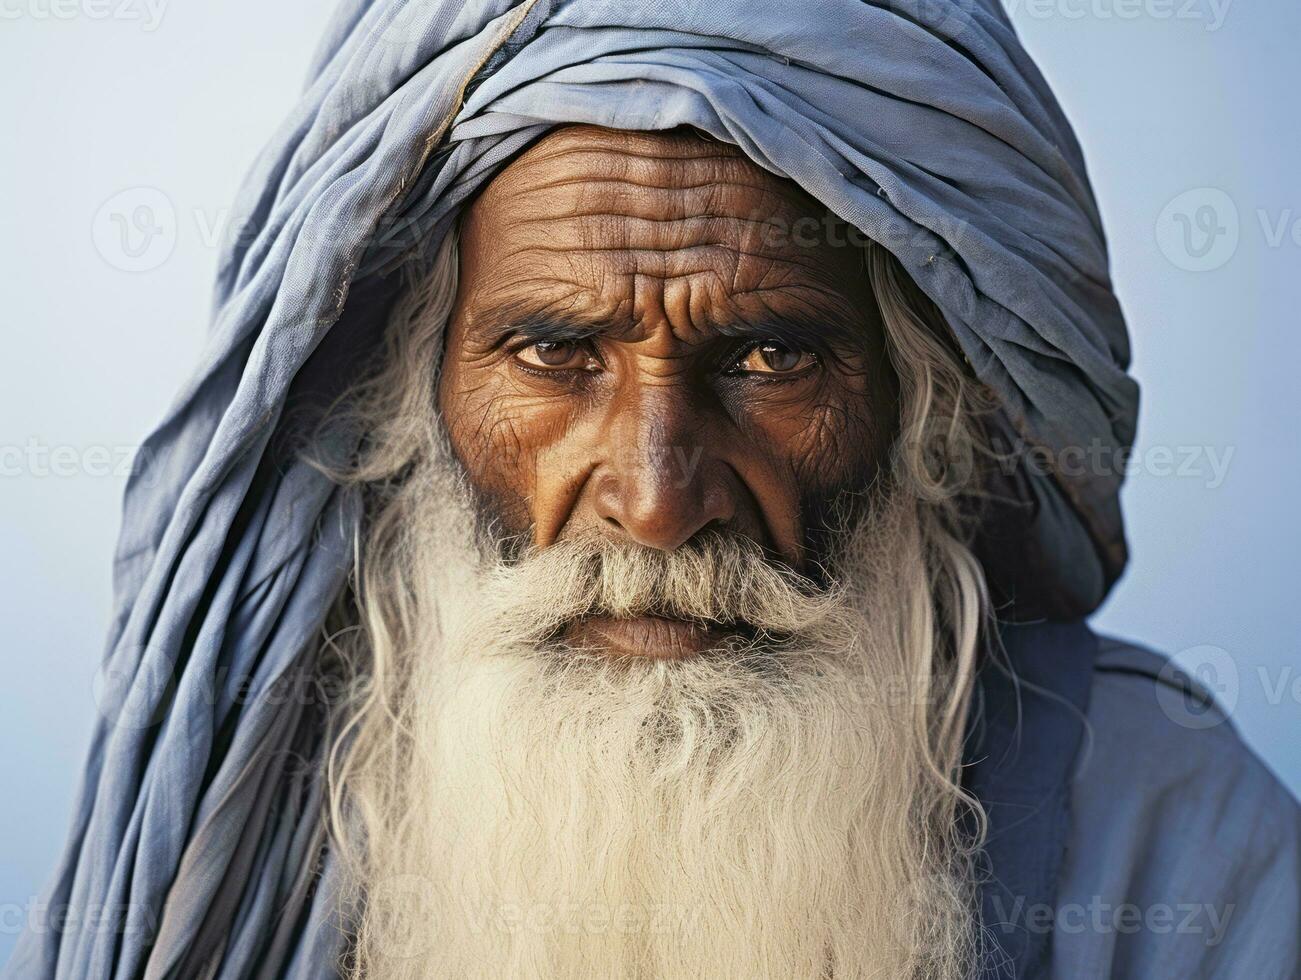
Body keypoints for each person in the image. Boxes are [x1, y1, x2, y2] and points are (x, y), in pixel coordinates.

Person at [7, 2, 1297, 978]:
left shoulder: (1160, 823)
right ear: (417, 399)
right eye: (558, 354)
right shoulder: (262, 825)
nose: (659, 497)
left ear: (923, 412)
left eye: (771, 356)